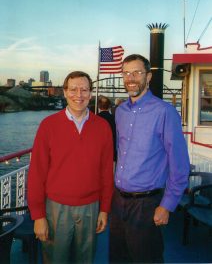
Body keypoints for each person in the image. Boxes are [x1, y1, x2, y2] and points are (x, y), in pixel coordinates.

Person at [109, 54, 190, 263]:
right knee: (119, 258)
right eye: (126, 73)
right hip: (118, 201)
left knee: (147, 258)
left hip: (146, 203)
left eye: (137, 72)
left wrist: (167, 205)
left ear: (149, 76)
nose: (131, 78)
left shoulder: (165, 112)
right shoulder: (120, 111)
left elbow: (179, 164)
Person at [27, 71, 114, 264]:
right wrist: (38, 215)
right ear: (64, 92)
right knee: (55, 259)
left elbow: (107, 172)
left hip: (91, 207)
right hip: (56, 208)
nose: (79, 95)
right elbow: (36, 173)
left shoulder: (102, 127)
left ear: (91, 94)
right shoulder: (48, 125)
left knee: (86, 260)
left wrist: (104, 209)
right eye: (73, 89)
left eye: (84, 89)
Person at [97, 95, 117, 161]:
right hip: (111, 151)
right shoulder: (114, 119)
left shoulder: (95, 119)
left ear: (99, 106)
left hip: (98, 152)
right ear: (109, 106)